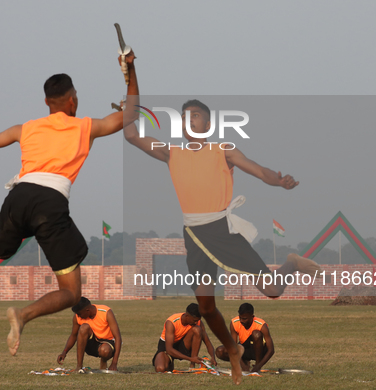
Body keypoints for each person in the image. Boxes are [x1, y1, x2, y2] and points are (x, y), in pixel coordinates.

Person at [0, 50, 139, 356]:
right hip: (50, 202)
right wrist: (131, 70)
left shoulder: (26, 129)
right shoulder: (85, 126)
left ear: (47, 102)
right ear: (72, 100)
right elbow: (133, 113)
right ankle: (23, 315)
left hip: (18, 197)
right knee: (71, 293)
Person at [124, 99, 321, 384]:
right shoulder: (170, 152)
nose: (189, 121)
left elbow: (258, 169)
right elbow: (131, 136)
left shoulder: (223, 150)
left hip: (221, 230)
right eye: (185, 117)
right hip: (193, 234)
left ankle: (291, 263)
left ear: (208, 124)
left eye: (196, 116)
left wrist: (278, 181)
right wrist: (126, 112)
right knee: (205, 308)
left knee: (273, 289)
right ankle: (232, 349)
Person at [57, 297, 122, 372]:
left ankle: (103, 361)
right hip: (91, 345)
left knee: (105, 351)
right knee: (84, 327)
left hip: (107, 344)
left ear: (87, 310)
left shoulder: (106, 312)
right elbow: (73, 335)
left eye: (79, 314)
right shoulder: (77, 317)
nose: (78, 316)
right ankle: (79, 366)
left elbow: (118, 337)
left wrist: (114, 363)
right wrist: (64, 352)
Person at [152, 303, 216, 372]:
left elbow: (208, 342)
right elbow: (169, 349)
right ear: (187, 316)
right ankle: (169, 361)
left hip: (183, 344)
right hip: (167, 347)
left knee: (197, 329)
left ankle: (192, 366)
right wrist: (190, 358)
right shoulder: (171, 322)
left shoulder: (198, 322)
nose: (196, 322)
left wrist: (213, 357)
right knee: (160, 369)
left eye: (197, 320)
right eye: (194, 320)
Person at [216, 303, 274, 372]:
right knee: (220, 351)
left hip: (259, 351)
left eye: (244, 319)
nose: (241, 321)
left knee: (256, 334)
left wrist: (259, 366)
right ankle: (245, 361)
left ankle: (257, 364)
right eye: (240, 318)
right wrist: (243, 365)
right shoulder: (234, 323)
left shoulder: (261, 325)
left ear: (252, 316)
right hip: (244, 349)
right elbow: (232, 347)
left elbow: (271, 350)